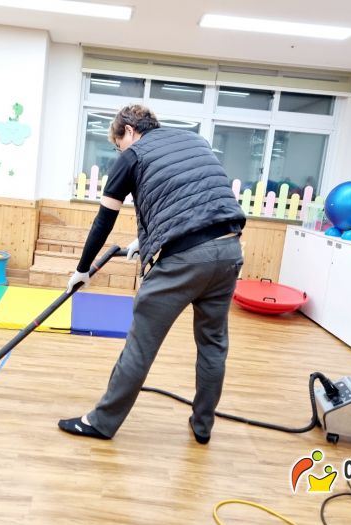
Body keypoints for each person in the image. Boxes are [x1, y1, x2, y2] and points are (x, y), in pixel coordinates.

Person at [57, 104, 245, 445]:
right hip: (229, 250)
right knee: (213, 343)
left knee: (141, 344)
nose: (120, 152)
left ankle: (101, 422)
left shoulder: (132, 155)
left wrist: (82, 269)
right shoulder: (194, 141)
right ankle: (203, 425)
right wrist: (147, 240)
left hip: (185, 260)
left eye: (119, 144)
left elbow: (104, 221)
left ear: (129, 131)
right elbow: (192, 198)